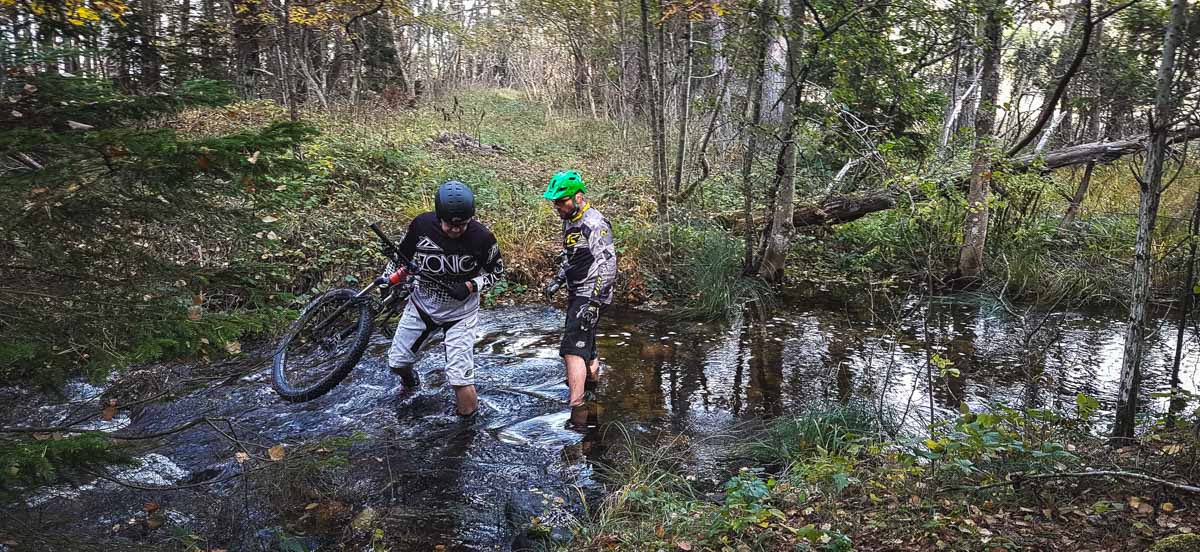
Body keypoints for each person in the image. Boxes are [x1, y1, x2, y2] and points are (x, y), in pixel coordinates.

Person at [387, 180, 504, 417]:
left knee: (459, 378)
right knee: (397, 363)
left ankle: (466, 429)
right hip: (422, 305)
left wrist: (471, 285)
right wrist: (387, 280)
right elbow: (401, 258)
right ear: (439, 216)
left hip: (461, 313)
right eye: (449, 225)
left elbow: (497, 273)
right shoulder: (421, 226)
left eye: (461, 225)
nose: (455, 230)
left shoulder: (482, 238)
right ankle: (411, 384)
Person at [541, 170, 617, 428]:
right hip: (577, 291)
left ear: (579, 197)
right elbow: (572, 257)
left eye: (561, 201)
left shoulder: (595, 224)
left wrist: (594, 303)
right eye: (555, 202)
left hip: (592, 293)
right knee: (588, 346)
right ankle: (593, 383)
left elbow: (608, 267)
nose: (557, 207)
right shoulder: (569, 222)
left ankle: (577, 406)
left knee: (572, 350)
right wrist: (558, 279)